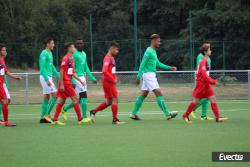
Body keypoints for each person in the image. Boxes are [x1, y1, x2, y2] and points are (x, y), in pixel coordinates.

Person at [129, 34, 178, 121]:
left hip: (148, 75)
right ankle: (167, 114)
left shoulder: (153, 51)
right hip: (149, 75)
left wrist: (169, 67)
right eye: (158, 41)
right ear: (154, 40)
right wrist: (138, 76)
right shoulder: (148, 51)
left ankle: (133, 113)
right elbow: (142, 64)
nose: (160, 43)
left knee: (144, 94)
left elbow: (158, 63)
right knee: (159, 93)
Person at [182, 44, 228, 123]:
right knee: (195, 102)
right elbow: (204, 76)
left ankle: (217, 118)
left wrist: (211, 82)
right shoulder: (203, 62)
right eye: (209, 50)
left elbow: (205, 76)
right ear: (205, 52)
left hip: (206, 85)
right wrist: (214, 82)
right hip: (201, 85)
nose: (211, 51)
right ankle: (185, 115)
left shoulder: (206, 60)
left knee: (213, 99)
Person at [51, 42, 91, 125]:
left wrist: (80, 80)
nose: (75, 49)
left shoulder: (71, 59)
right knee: (75, 99)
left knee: (61, 101)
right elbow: (61, 71)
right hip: (65, 83)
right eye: (73, 47)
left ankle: (55, 120)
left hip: (67, 82)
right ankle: (80, 119)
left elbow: (72, 72)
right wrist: (61, 84)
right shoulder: (65, 59)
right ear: (69, 48)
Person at [61, 39, 97, 121]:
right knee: (84, 96)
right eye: (77, 44)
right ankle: (84, 117)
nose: (79, 45)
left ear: (83, 44)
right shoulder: (74, 55)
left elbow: (86, 67)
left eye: (81, 43)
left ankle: (65, 109)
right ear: (76, 45)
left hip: (82, 78)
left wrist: (92, 78)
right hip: (76, 78)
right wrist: (72, 80)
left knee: (80, 100)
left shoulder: (84, 54)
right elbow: (71, 69)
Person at [89, 41, 124, 125]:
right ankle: (115, 120)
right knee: (115, 99)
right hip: (108, 82)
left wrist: (115, 77)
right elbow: (104, 72)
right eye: (116, 50)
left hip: (110, 82)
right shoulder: (107, 58)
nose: (117, 52)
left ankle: (93, 111)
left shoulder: (112, 58)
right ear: (111, 48)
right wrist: (113, 80)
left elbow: (112, 71)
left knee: (109, 102)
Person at [0, 43, 22, 127]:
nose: (6, 52)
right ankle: (6, 122)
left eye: (6, 50)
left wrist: (15, 77)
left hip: (2, 84)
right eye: (4, 50)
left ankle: (5, 121)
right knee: (5, 101)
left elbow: (5, 72)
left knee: (6, 100)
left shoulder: (2, 60)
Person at [191, 42, 214, 121]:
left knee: (206, 98)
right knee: (206, 97)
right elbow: (199, 68)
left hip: (206, 79)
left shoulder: (209, 58)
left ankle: (203, 116)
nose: (210, 50)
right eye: (209, 48)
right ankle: (193, 109)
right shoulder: (200, 56)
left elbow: (207, 70)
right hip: (202, 80)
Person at [39, 38, 60, 123]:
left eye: (53, 43)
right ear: (47, 44)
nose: (53, 45)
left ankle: (43, 117)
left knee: (47, 97)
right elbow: (42, 68)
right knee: (55, 95)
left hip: (48, 77)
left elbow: (52, 66)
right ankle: (46, 116)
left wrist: (59, 76)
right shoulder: (44, 53)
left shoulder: (50, 53)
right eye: (52, 43)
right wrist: (47, 79)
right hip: (45, 77)